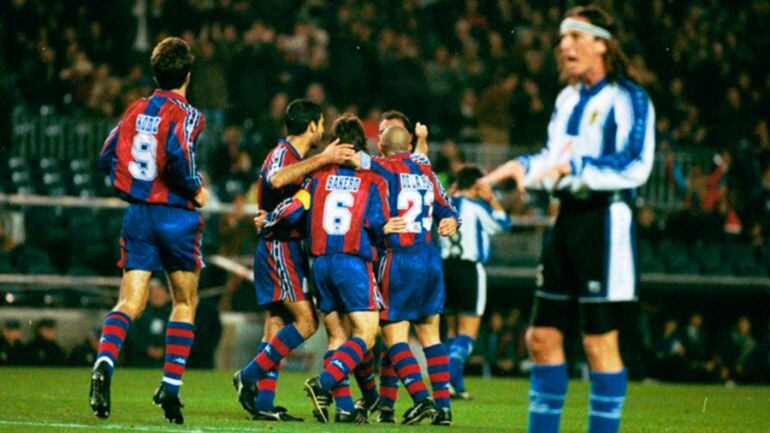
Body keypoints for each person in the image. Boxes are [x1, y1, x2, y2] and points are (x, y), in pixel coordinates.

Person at [482, 6, 655, 433]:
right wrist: (520, 167)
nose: (564, 45)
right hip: (565, 222)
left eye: (576, 36)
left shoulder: (628, 97)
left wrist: (572, 171)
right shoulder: (568, 97)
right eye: (562, 38)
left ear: (602, 43)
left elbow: (635, 163)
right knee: (540, 339)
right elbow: (553, 160)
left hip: (604, 221)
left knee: (599, 343)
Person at [257, 114, 404, 424]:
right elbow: (377, 223)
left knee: (337, 336)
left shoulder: (318, 177)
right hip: (352, 262)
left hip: (320, 265)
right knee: (366, 334)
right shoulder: (372, 180)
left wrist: (267, 219)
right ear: (363, 145)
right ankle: (322, 385)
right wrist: (386, 228)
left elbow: (295, 208)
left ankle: (347, 408)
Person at [92, 36, 209, 424]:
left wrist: (129, 184)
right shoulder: (188, 114)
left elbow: (106, 155)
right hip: (176, 216)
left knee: (130, 302)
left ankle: (105, 362)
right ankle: (170, 386)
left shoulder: (134, 109)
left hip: (138, 215)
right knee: (184, 302)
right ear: (187, 76)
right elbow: (178, 153)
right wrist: (196, 189)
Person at [232, 99, 354, 421]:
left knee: (277, 325)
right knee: (307, 322)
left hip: (284, 247)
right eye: (321, 124)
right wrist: (323, 159)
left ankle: (263, 405)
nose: (324, 130)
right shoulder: (283, 155)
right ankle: (247, 376)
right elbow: (275, 180)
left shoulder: (292, 157)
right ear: (312, 125)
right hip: (280, 248)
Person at [358, 124, 460, 426]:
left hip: (399, 258)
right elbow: (449, 209)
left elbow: (352, 160)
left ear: (382, 148)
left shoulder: (380, 167)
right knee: (431, 336)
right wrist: (452, 222)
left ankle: (421, 399)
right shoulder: (427, 173)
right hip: (429, 257)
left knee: (394, 337)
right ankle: (444, 407)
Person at [440, 165, 511, 399]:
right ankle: (445, 381)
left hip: (445, 268)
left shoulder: (443, 204)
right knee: (467, 334)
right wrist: (492, 200)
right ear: (478, 184)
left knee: (451, 331)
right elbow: (503, 225)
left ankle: (457, 387)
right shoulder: (477, 208)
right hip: (469, 270)